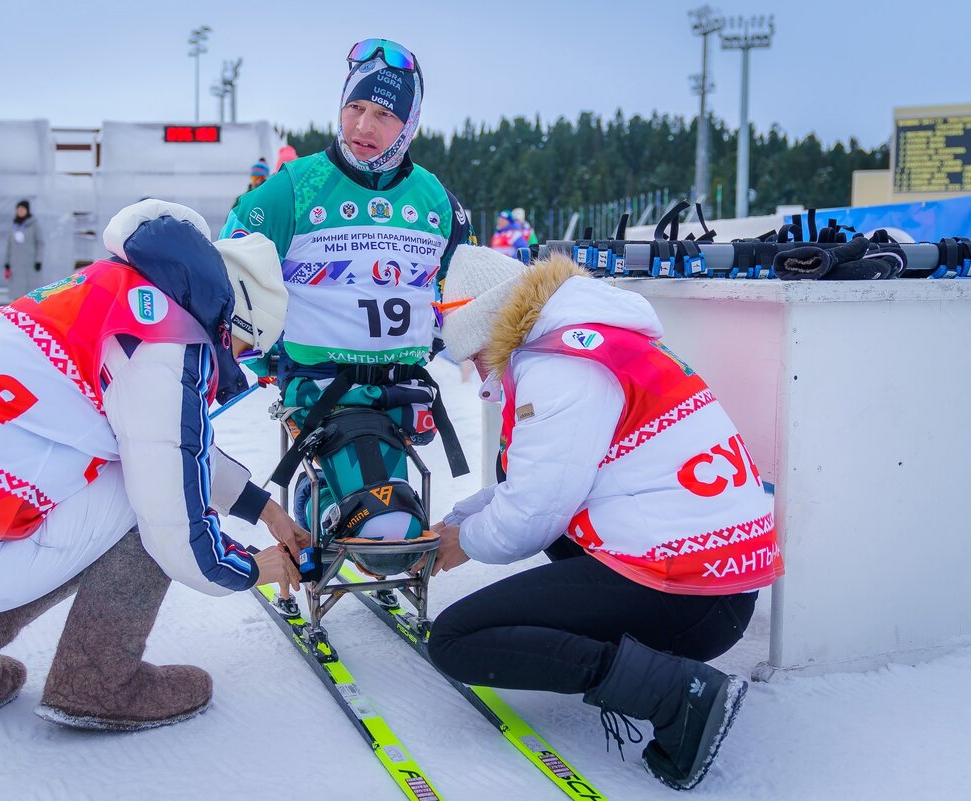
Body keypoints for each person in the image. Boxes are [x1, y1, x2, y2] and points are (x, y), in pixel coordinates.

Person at [0, 199, 306, 731]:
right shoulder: (168, 339)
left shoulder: (108, 291)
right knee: (147, 501)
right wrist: (254, 565)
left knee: (131, 475)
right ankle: (100, 683)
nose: (237, 362)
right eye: (247, 347)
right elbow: (173, 510)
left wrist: (264, 509)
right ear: (232, 320)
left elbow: (165, 443)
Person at [425, 245, 783, 790]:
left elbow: (531, 516)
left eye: (473, 355)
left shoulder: (557, 367)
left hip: (692, 596)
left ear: (489, 327)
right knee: (558, 533)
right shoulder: (595, 339)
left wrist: (463, 543)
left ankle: (677, 696)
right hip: (715, 580)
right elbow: (539, 484)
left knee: (457, 637)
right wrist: (458, 518)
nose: (478, 373)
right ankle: (656, 668)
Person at [219, 38, 474, 543]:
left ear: (410, 123)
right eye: (354, 107)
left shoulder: (438, 200)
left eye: (383, 114)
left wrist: (444, 340)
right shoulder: (293, 188)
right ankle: (327, 507)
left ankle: (348, 509)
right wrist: (261, 360)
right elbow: (230, 285)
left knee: (395, 530)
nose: (363, 127)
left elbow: (464, 290)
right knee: (387, 528)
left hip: (403, 386)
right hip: (320, 385)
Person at [4, 199, 45, 297]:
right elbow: (9, 245)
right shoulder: (13, 226)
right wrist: (7, 262)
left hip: (30, 263)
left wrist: (38, 260)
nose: (20, 211)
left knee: (30, 289)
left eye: (23, 209)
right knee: (16, 288)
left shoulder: (34, 225)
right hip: (16, 263)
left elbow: (40, 243)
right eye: (18, 209)